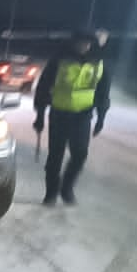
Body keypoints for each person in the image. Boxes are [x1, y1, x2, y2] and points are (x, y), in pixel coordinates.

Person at [32, 30, 110, 206]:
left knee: (80, 155)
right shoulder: (59, 60)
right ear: (74, 43)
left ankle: (66, 188)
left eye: (88, 43)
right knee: (55, 157)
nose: (84, 46)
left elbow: (103, 93)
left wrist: (101, 118)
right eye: (81, 42)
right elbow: (43, 88)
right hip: (59, 115)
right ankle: (51, 193)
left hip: (82, 117)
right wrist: (40, 116)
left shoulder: (98, 63)